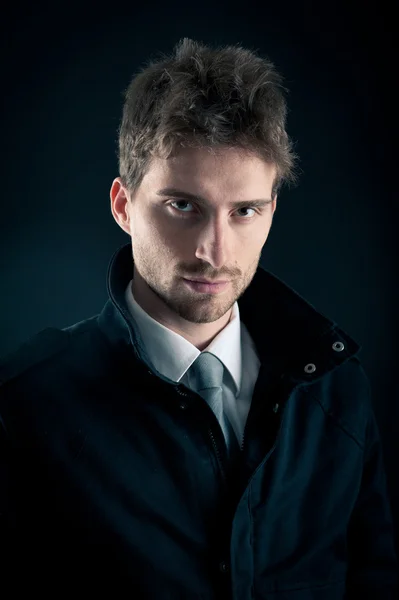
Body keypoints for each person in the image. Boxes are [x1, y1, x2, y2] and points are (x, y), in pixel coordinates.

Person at [0, 37, 397, 599]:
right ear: (122, 205)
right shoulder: (24, 407)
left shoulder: (337, 392)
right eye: (183, 205)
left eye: (243, 212)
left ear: (272, 211)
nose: (214, 250)